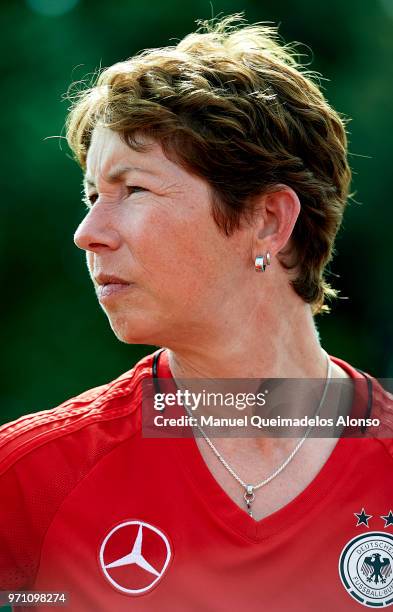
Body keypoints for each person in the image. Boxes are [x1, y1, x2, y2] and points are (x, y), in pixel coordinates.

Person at [1, 14, 392, 612]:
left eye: (132, 189)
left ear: (267, 221)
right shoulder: (31, 478)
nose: (87, 233)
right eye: (91, 196)